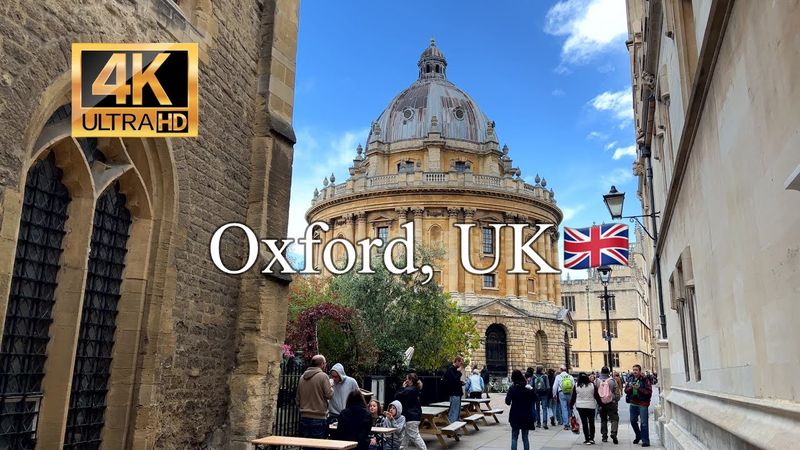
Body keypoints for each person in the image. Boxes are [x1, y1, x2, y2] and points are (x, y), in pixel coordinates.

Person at [296, 354, 334, 446]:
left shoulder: (302, 378)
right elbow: (329, 395)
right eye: (325, 363)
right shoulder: (323, 376)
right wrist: (331, 385)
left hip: (304, 417)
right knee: (317, 446)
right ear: (322, 364)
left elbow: (297, 399)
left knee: (306, 446)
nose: (325, 365)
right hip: (318, 417)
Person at [394, 373, 426, 450]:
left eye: (407, 379)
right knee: (406, 435)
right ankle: (402, 448)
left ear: (410, 380)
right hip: (414, 415)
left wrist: (402, 387)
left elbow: (397, 396)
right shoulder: (415, 389)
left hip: (411, 416)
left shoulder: (408, 390)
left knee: (414, 436)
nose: (406, 380)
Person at [505, 369, 536, 450]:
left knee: (514, 437)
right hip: (526, 415)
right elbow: (536, 398)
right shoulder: (527, 388)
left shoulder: (512, 388)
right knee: (525, 438)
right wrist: (531, 389)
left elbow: (507, 402)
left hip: (515, 415)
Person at [625, 364, 653, 447]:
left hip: (643, 403)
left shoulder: (645, 380)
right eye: (633, 370)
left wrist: (639, 389)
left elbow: (649, 392)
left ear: (640, 371)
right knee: (633, 421)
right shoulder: (630, 379)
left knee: (644, 422)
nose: (634, 371)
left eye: (636, 370)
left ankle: (645, 441)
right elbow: (626, 390)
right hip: (633, 402)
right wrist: (631, 387)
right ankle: (638, 435)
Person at [570, 372, 599, 445]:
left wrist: (570, 405)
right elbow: (596, 396)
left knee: (584, 423)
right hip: (591, 406)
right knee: (591, 422)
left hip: (580, 406)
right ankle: (592, 438)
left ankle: (587, 439)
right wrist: (601, 404)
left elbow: (573, 397)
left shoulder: (576, 385)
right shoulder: (592, 385)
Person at [596, 366, 620, 444]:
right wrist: (615, 400)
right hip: (611, 403)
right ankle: (613, 433)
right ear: (608, 372)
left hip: (601, 403)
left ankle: (604, 437)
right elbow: (617, 392)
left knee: (603, 420)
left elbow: (595, 393)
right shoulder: (612, 381)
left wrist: (598, 402)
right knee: (614, 419)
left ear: (601, 372)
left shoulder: (597, 381)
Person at [552, 365, 574, 430]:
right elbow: (573, 385)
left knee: (564, 408)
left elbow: (554, 387)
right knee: (569, 408)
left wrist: (554, 395)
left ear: (561, 369)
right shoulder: (570, 376)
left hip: (561, 393)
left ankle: (566, 424)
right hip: (569, 393)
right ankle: (570, 423)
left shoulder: (558, 376)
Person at [443, 356, 465, 424]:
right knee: (454, 411)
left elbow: (455, 381)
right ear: (457, 361)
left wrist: (461, 383)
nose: (461, 365)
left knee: (457, 411)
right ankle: (451, 427)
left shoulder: (454, 369)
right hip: (454, 393)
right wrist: (459, 372)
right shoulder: (451, 369)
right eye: (460, 363)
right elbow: (453, 380)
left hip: (457, 393)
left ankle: (455, 426)